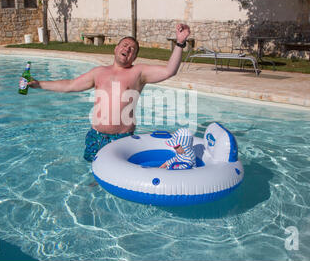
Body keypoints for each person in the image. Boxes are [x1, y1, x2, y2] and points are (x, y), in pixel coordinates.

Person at [28, 23, 191, 161]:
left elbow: (170, 70)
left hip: (122, 139)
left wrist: (180, 43)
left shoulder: (138, 73)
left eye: (132, 49)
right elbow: (70, 85)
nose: (128, 48)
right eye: (125, 45)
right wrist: (39, 84)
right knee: (91, 179)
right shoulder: (98, 72)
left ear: (133, 58)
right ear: (116, 49)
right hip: (95, 136)